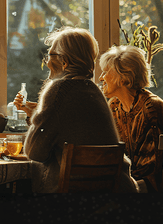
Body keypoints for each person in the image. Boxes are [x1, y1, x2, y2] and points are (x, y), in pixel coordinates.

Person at [14, 26, 139, 193]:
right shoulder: (94, 91)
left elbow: (34, 152)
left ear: (64, 62)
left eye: (50, 56)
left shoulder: (58, 90)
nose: (47, 62)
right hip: (115, 191)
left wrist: (37, 117)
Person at [99, 45, 163, 192]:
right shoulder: (115, 106)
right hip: (129, 184)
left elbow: (151, 172)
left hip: (151, 189)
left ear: (123, 77)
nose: (101, 77)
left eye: (105, 72)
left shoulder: (151, 109)